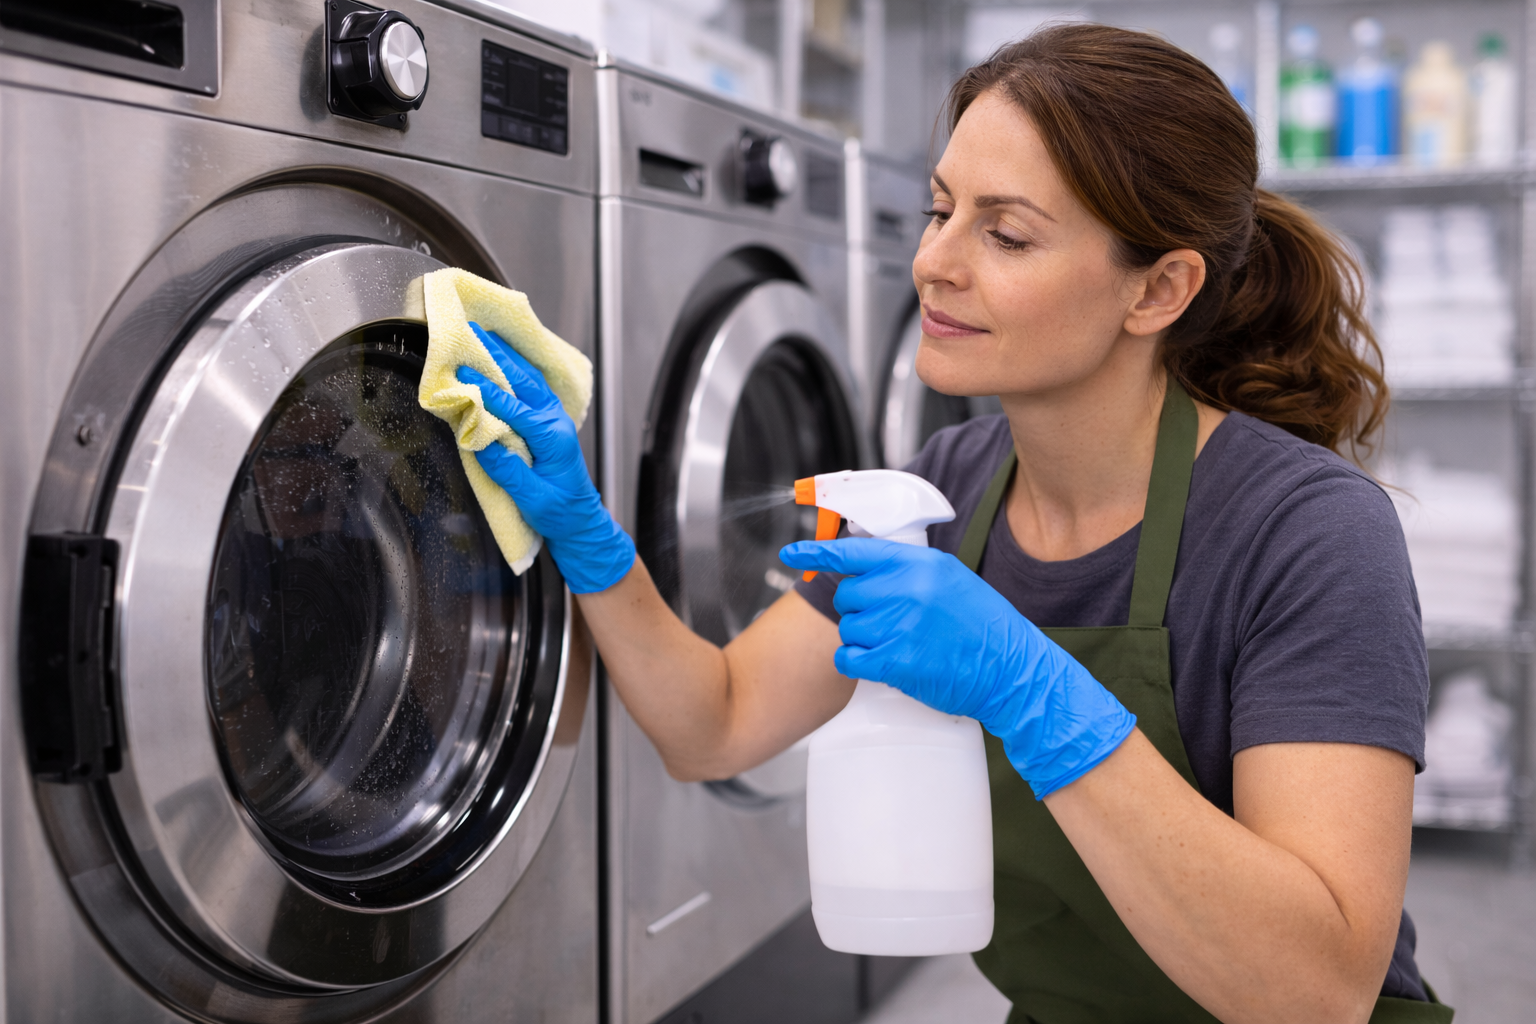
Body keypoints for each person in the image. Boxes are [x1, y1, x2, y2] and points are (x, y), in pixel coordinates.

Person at [454, 24, 1448, 1024]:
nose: (934, 261)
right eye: (940, 210)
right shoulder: (944, 494)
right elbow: (714, 724)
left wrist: (1037, 692)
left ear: (1158, 289)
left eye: (1005, 234)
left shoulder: (1308, 534)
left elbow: (1318, 994)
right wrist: (589, 540)